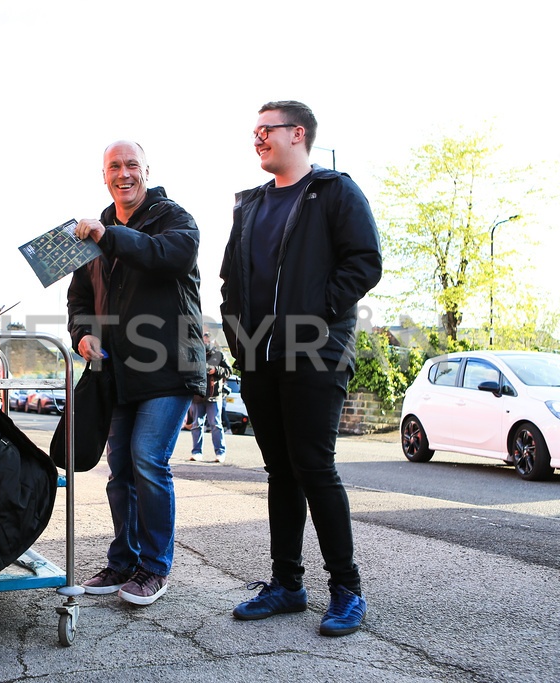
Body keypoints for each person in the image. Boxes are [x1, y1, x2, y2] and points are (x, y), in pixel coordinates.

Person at [219, 101, 382, 637]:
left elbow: (364, 261)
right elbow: (229, 281)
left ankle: (347, 590)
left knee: (315, 467)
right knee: (280, 472)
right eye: (255, 131)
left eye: (267, 129)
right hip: (259, 358)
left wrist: (313, 315)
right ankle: (287, 585)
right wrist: (239, 337)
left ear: (299, 133)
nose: (258, 138)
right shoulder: (250, 205)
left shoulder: (334, 191)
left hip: (315, 353)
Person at [68, 140, 206, 606]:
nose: (123, 173)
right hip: (117, 372)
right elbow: (79, 301)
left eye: (132, 165)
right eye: (114, 167)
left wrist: (107, 237)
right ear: (103, 175)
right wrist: (83, 335)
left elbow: (167, 256)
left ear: (147, 170)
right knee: (120, 469)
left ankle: (153, 568)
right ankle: (123, 560)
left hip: (169, 366)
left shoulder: (175, 218)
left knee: (148, 458)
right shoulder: (94, 234)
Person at [189, 331, 232, 463]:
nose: (205, 341)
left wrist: (215, 370)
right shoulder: (195, 354)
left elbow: (229, 371)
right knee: (196, 424)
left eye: (208, 339)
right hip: (198, 395)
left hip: (214, 396)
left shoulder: (219, 355)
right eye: (204, 339)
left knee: (216, 425)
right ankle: (196, 452)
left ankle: (220, 453)